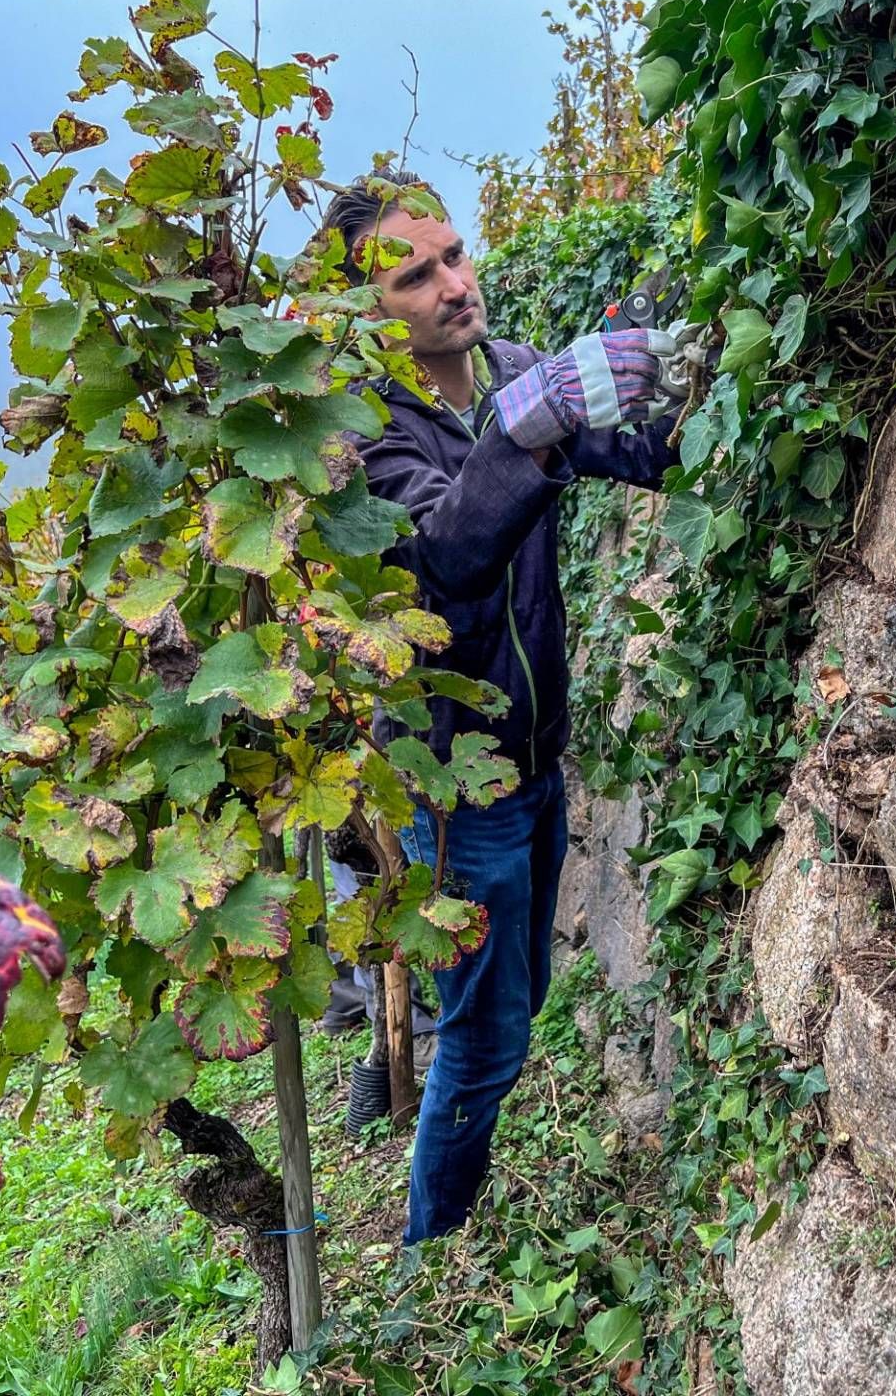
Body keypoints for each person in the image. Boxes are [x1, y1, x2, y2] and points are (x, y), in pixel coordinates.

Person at [322, 169, 680, 1243]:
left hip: (535, 758)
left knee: (507, 1016)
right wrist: (529, 431)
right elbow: (445, 558)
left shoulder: (515, 373)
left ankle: (432, 1195)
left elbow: (637, 451)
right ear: (369, 314)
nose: (451, 285)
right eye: (412, 275)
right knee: (486, 1042)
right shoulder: (360, 434)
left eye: (454, 256)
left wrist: (685, 375)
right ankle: (431, 1254)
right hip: (447, 789)